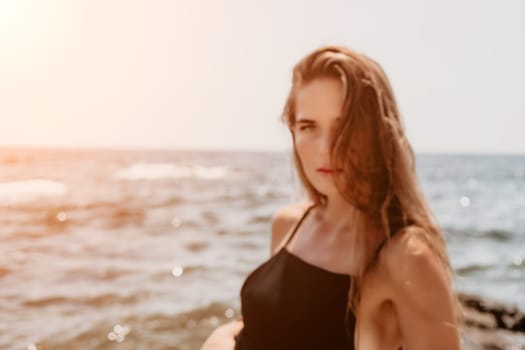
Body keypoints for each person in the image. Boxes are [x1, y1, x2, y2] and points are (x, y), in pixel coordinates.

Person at [201, 45, 464, 349]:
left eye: (345, 126)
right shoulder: (289, 224)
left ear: (379, 132)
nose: (326, 147)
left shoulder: (405, 257)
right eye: (308, 126)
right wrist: (220, 339)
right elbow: (272, 327)